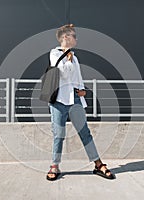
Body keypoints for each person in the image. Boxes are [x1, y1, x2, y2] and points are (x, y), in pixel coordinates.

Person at [46, 24, 115, 181]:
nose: (76, 39)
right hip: (58, 100)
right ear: (65, 37)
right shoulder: (55, 53)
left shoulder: (74, 57)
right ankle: (54, 165)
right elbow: (61, 73)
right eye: (74, 36)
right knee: (59, 135)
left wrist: (82, 91)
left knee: (85, 133)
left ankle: (98, 164)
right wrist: (68, 59)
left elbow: (77, 79)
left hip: (75, 100)